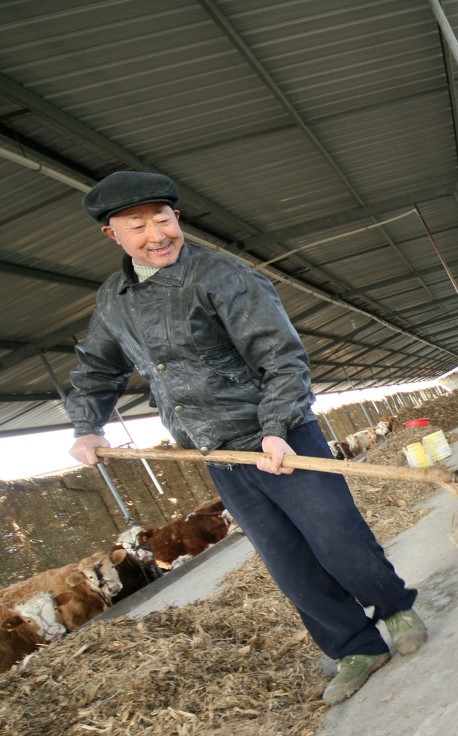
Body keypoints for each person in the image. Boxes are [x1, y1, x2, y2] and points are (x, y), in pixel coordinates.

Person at [65, 171, 428, 705]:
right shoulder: (114, 299)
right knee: (286, 560)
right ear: (111, 235)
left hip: (278, 435)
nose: (156, 235)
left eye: (163, 220)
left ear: (177, 217)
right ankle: (355, 646)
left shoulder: (219, 274)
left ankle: (395, 610)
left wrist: (278, 429)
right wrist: (87, 426)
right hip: (217, 450)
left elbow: (281, 356)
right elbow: (97, 368)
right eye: (138, 226)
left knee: (337, 538)